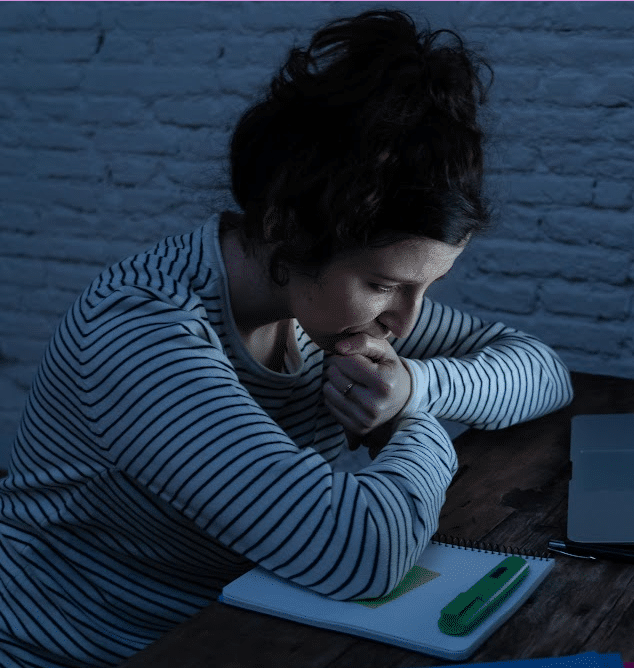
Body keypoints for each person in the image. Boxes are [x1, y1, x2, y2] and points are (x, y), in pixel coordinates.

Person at [0, 10, 573, 667]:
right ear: (285, 228)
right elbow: (359, 553)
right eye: (385, 284)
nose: (406, 322)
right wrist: (417, 424)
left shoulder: (327, 308)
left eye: (425, 287)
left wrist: (415, 386)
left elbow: (542, 369)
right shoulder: (140, 335)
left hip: (237, 623)